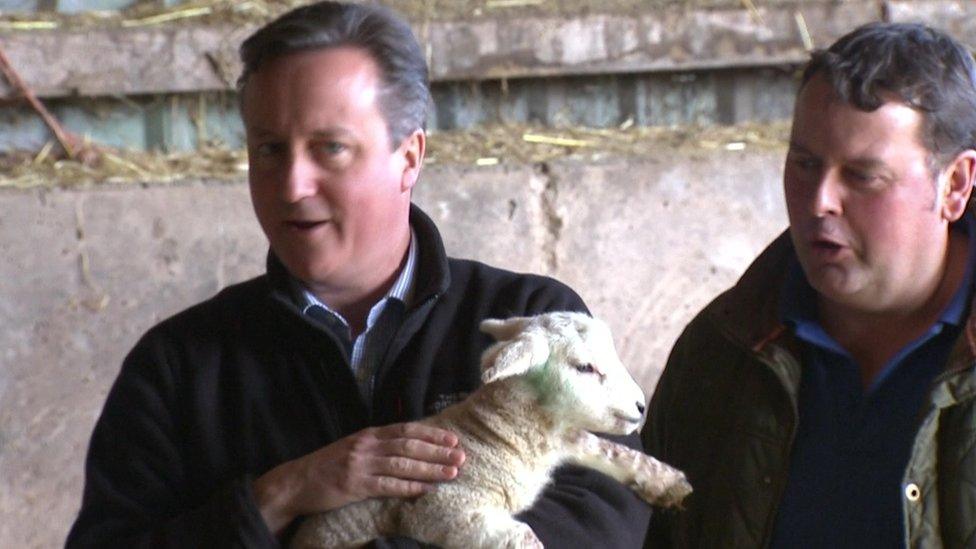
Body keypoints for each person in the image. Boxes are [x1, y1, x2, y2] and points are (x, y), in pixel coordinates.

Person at [66, 2, 650, 547]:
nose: (292, 186)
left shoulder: (536, 324)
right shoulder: (178, 367)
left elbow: (606, 510)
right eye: (269, 149)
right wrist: (279, 494)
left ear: (409, 158)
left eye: (330, 148)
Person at [642, 22, 976, 548]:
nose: (820, 199)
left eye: (863, 175)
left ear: (955, 185)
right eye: (804, 163)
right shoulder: (722, 353)